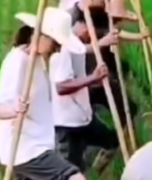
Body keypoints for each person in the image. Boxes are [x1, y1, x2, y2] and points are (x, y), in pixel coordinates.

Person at [0, 6, 88, 180]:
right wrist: (14, 108)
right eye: (56, 44)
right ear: (43, 36)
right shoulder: (18, 62)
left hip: (34, 143)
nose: (57, 49)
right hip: (26, 149)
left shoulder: (35, 59)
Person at [49, 10, 120, 171]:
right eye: (90, 30)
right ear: (82, 24)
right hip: (68, 124)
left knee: (111, 141)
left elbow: (82, 55)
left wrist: (94, 82)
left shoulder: (74, 44)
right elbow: (61, 87)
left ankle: (95, 173)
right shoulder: (63, 51)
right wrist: (93, 78)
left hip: (82, 117)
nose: (91, 35)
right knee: (70, 172)